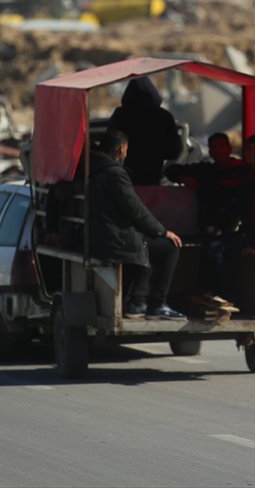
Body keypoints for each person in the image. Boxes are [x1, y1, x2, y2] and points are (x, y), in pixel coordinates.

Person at [88, 129, 186, 320]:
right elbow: (136, 210)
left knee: (146, 241)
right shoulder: (115, 173)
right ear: (122, 149)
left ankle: (138, 301)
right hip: (114, 240)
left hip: (101, 236)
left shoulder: (92, 169)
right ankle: (155, 303)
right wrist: (163, 231)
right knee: (169, 246)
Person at [205, 134, 255, 299]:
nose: (251, 153)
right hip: (249, 232)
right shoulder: (250, 174)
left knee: (215, 249)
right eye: (248, 149)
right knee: (212, 243)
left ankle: (226, 297)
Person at [164, 132, 245, 235]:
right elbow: (170, 170)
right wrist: (183, 179)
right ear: (210, 152)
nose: (217, 150)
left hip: (236, 227)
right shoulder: (205, 170)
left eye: (221, 146)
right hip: (210, 227)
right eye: (213, 147)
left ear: (229, 149)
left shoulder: (242, 169)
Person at [108, 76, 182, 186]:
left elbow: (109, 146)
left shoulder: (120, 115)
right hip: (153, 178)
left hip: (125, 179)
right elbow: (173, 151)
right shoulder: (164, 116)